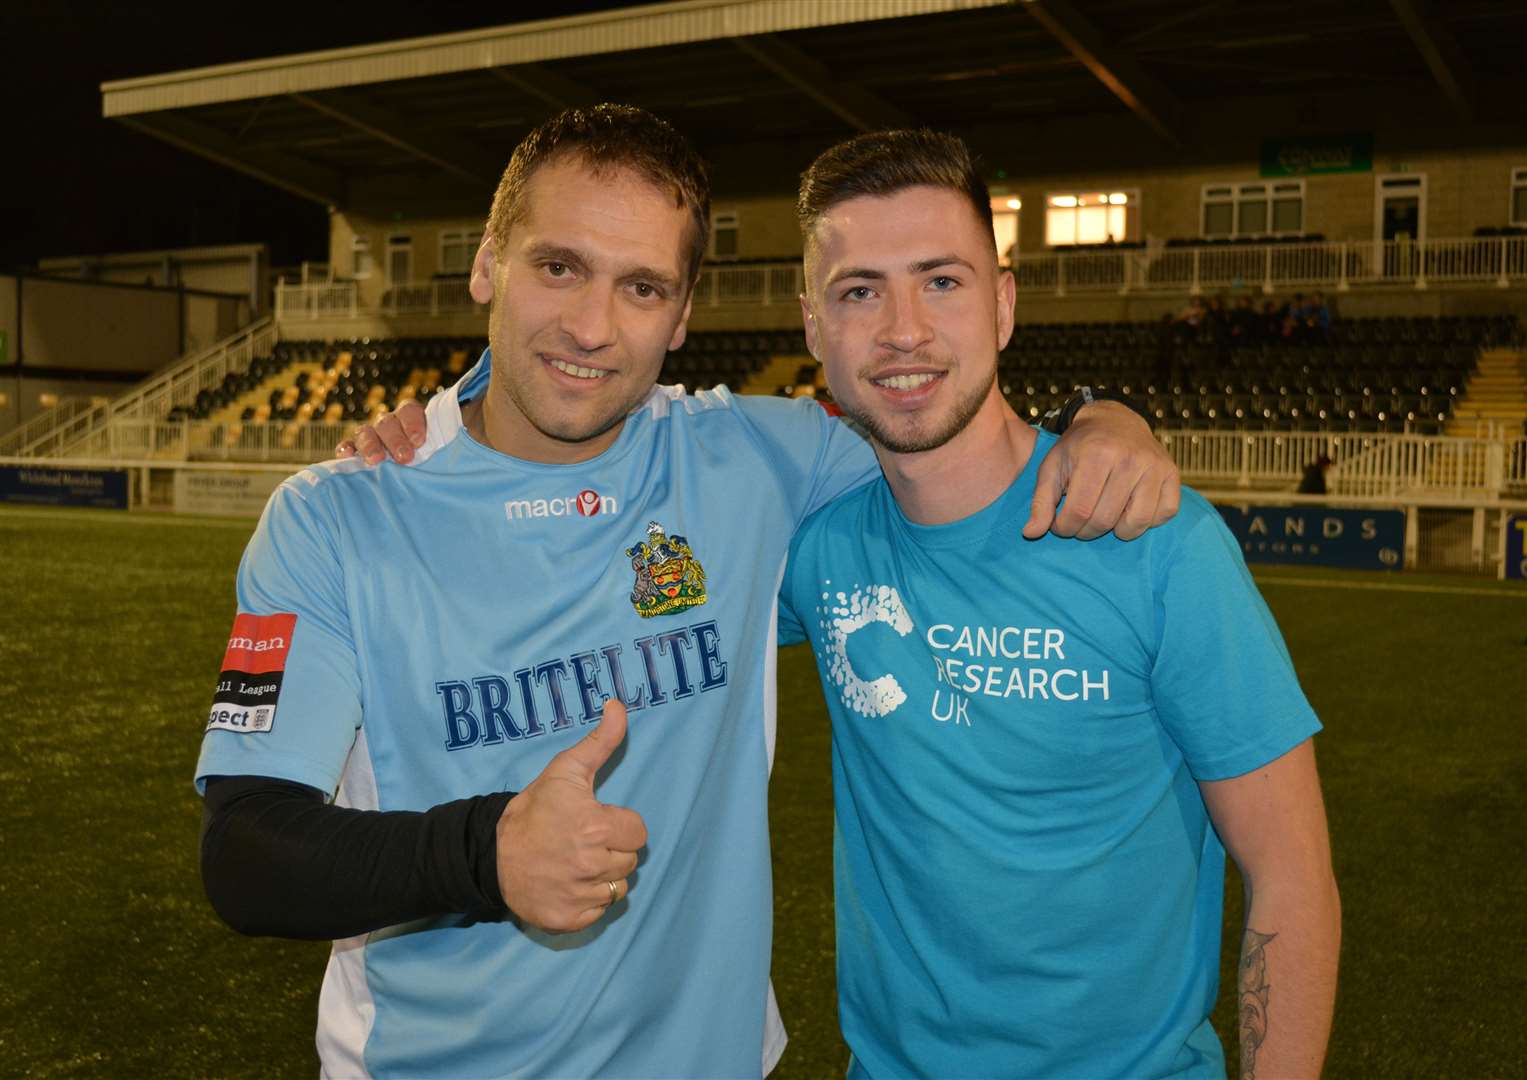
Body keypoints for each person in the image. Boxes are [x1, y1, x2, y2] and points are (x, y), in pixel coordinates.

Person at [199, 106, 1180, 1078]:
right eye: (558, 266)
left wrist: (1097, 417)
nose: (591, 325)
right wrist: (488, 853)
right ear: (488, 263)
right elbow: (246, 854)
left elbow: (958, 449)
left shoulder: (753, 460)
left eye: (640, 287)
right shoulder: (334, 518)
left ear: (682, 315)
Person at [774, 130, 1340, 1078]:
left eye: (941, 281)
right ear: (810, 325)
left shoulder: (1154, 538)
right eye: (859, 290)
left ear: (1001, 303)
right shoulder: (816, 546)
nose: (903, 329)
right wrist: (454, 422)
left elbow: (1290, 881)